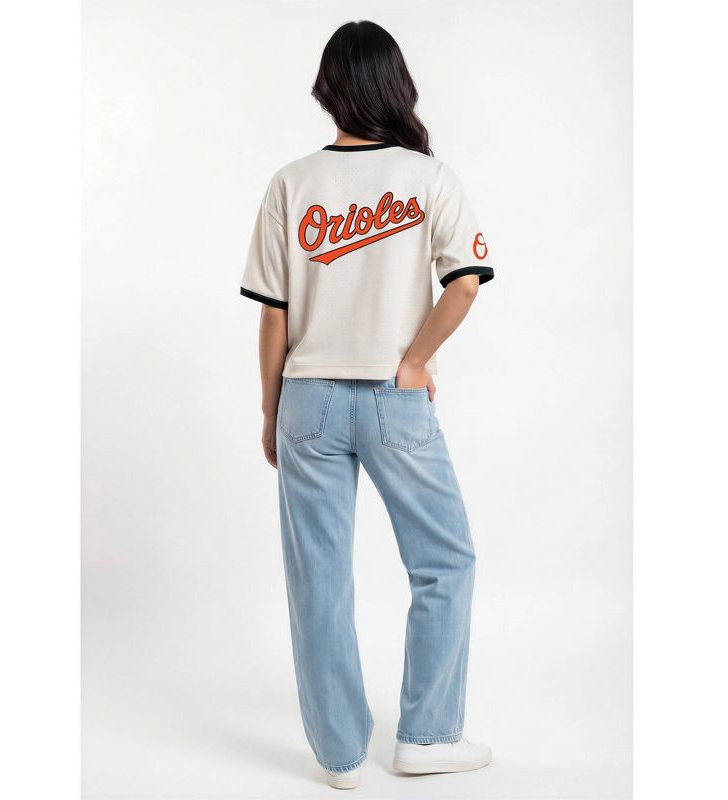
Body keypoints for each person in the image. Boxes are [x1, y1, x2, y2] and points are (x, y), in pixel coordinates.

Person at [240, 20, 494, 790]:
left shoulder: (292, 183)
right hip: (395, 399)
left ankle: (341, 757)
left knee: (319, 579)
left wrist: (270, 410)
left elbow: (274, 316)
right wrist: (413, 360)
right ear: (396, 84)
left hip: (307, 401)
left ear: (329, 88)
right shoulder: (429, 177)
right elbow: (465, 283)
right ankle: (427, 737)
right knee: (444, 560)